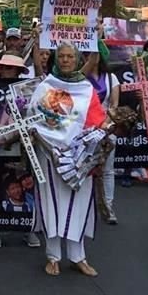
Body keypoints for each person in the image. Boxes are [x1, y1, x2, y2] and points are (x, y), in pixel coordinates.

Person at [26, 43, 109, 277]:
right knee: (50, 203)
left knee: (79, 204)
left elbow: (96, 121)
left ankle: (78, 257)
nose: (65, 60)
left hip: (78, 156)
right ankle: (53, 257)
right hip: (49, 153)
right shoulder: (45, 85)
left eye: (70, 56)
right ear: (56, 59)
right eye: (61, 56)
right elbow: (33, 115)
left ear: (76, 58)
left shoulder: (87, 89)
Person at [0, 53, 40, 249]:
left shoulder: (28, 90)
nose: (7, 71)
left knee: (27, 187)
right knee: (2, 187)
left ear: (19, 71)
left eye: (11, 68)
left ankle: (28, 229)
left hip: (25, 148)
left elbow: (36, 114)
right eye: (5, 67)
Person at [82, 40, 120, 224]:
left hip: (106, 128)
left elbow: (114, 105)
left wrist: (106, 125)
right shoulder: (79, 77)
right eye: (87, 53)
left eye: (94, 53)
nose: (91, 57)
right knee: (84, 169)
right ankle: (85, 208)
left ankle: (108, 207)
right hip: (83, 130)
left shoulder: (112, 78)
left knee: (107, 170)